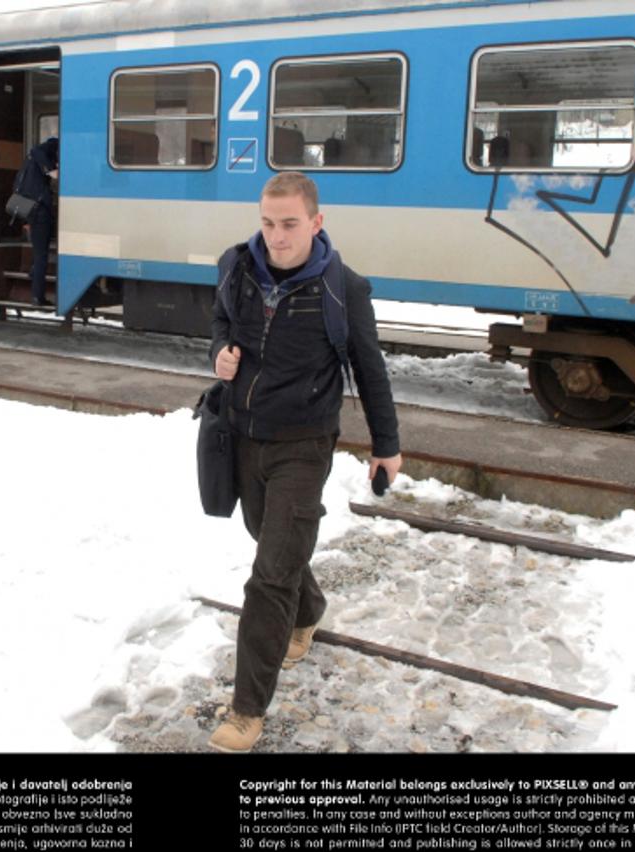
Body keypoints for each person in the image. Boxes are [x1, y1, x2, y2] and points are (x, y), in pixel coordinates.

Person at [208, 171, 403, 753]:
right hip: (243, 435)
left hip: (304, 443)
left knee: (269, 576)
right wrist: (218, 352)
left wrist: (386, 445)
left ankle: (246, 710)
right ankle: (308, 610)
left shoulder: (344, 287)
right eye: (267, 223)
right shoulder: (237, 266)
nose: (276, 236)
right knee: (270, 539)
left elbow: (371, 370)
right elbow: (219, 322)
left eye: (289, 224)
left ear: (316, 223)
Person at [16, 137, 59, 306]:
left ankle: (34, 274)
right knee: (41, 255)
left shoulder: (29, 167)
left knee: (39, 251)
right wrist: (51, 169)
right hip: (40, 214)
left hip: (31, 213)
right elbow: (38, 151)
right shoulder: (41, 159)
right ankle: (37, 296)